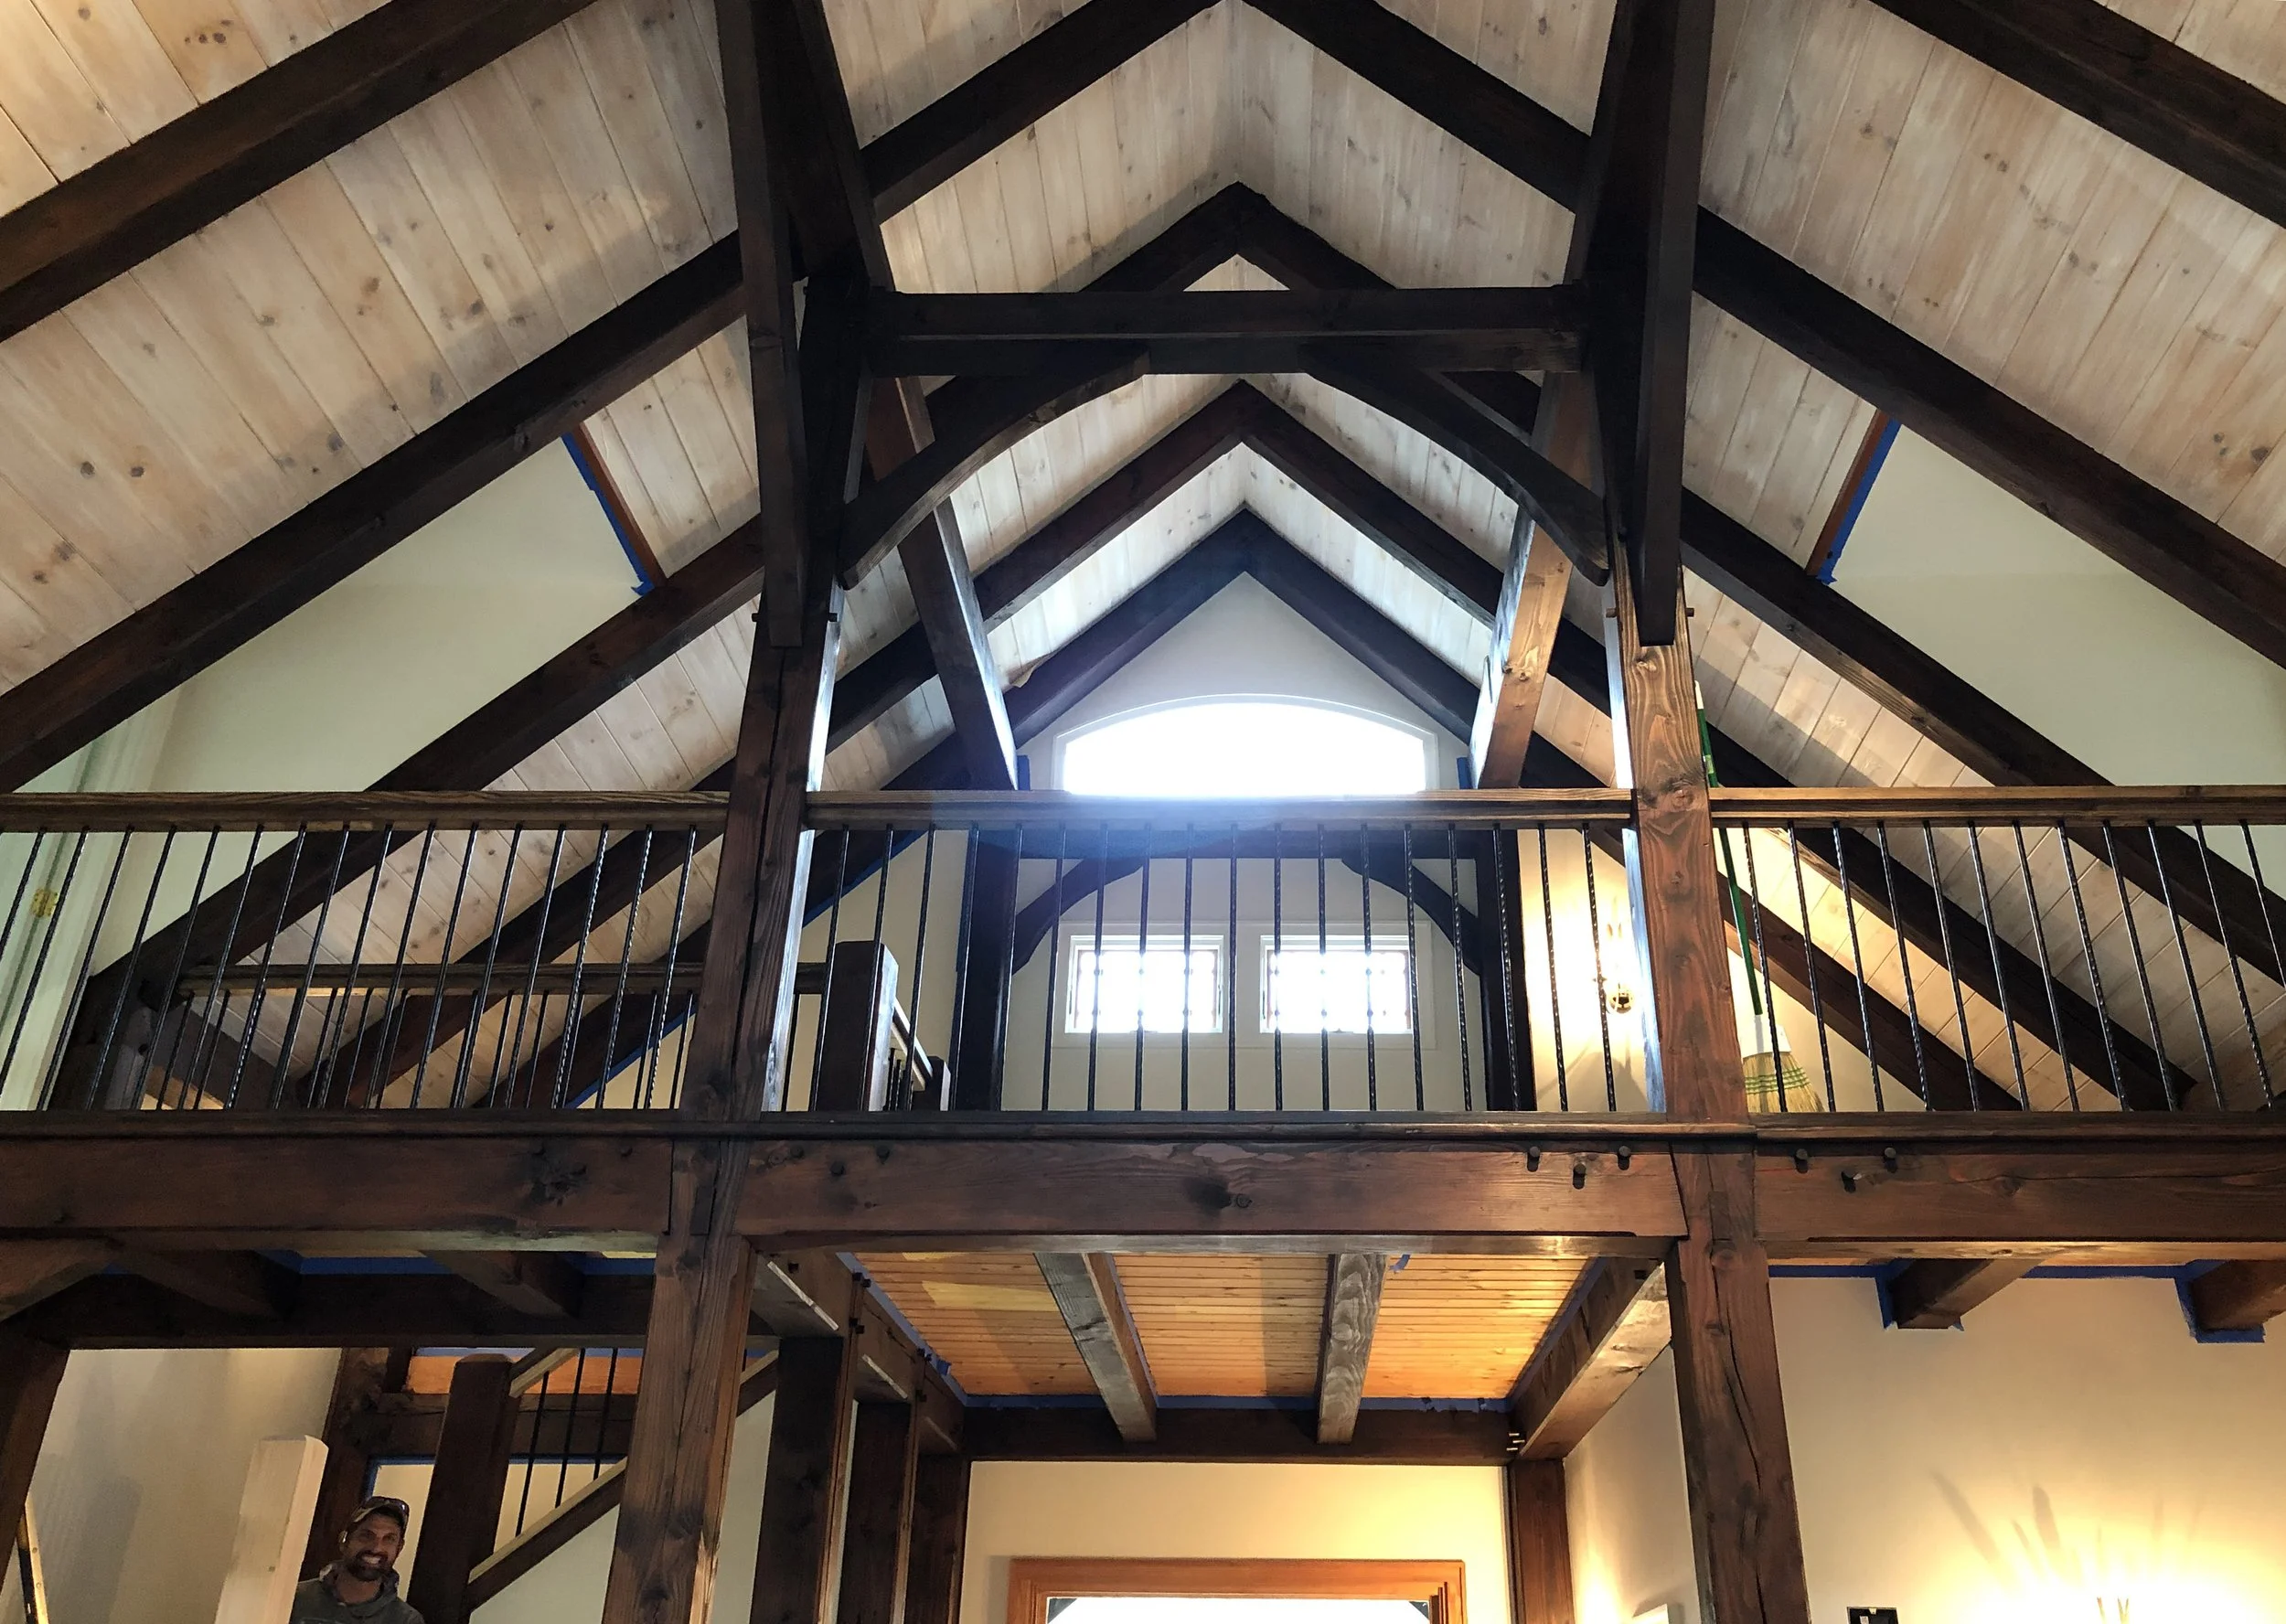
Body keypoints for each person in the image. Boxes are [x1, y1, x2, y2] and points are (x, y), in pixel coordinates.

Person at [291, 1497, 424, 1623]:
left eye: (389, 1539)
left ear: (399, 1548)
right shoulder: (295, 1599)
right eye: (366, 1536)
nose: (376, 1548)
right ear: (344, 1541)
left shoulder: (405, 1620)